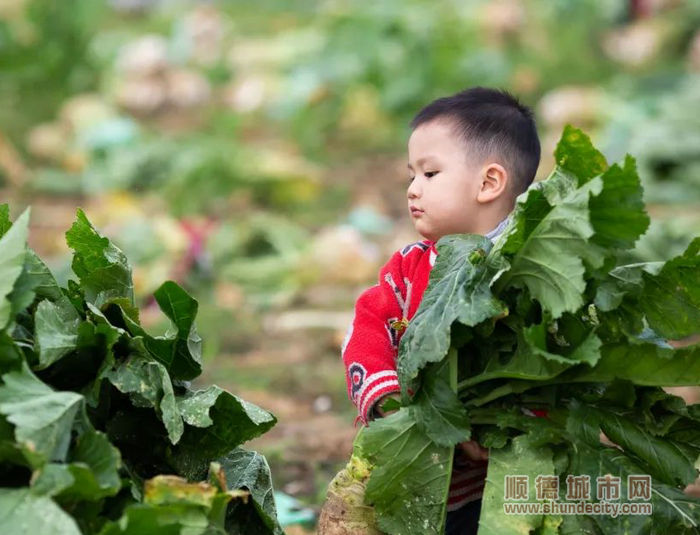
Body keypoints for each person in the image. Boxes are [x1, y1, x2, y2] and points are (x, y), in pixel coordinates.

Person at [341, 86, 542, 534]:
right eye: (410, 176)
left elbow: (555, 370)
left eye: (429, 174)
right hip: (415, 469)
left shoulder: (532, 274)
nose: (413, 189)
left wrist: (498, 429)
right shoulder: (409, 268)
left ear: (489, 183)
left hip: (511, 481)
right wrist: (392, 402)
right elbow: (367, 330)